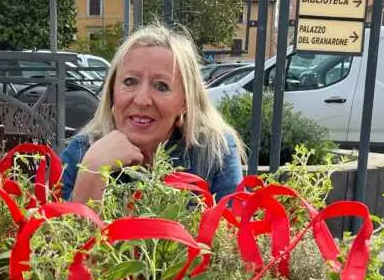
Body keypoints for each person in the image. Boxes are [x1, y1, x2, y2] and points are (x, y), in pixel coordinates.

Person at [60, 24, 245, 202]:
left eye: (161, 86)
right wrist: (92, 171)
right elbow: (52, 233)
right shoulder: (80, 152)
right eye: (130, 82)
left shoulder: (214, 153)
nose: (141, 100)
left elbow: (233, 230)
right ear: (112, 91)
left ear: (185, 102)